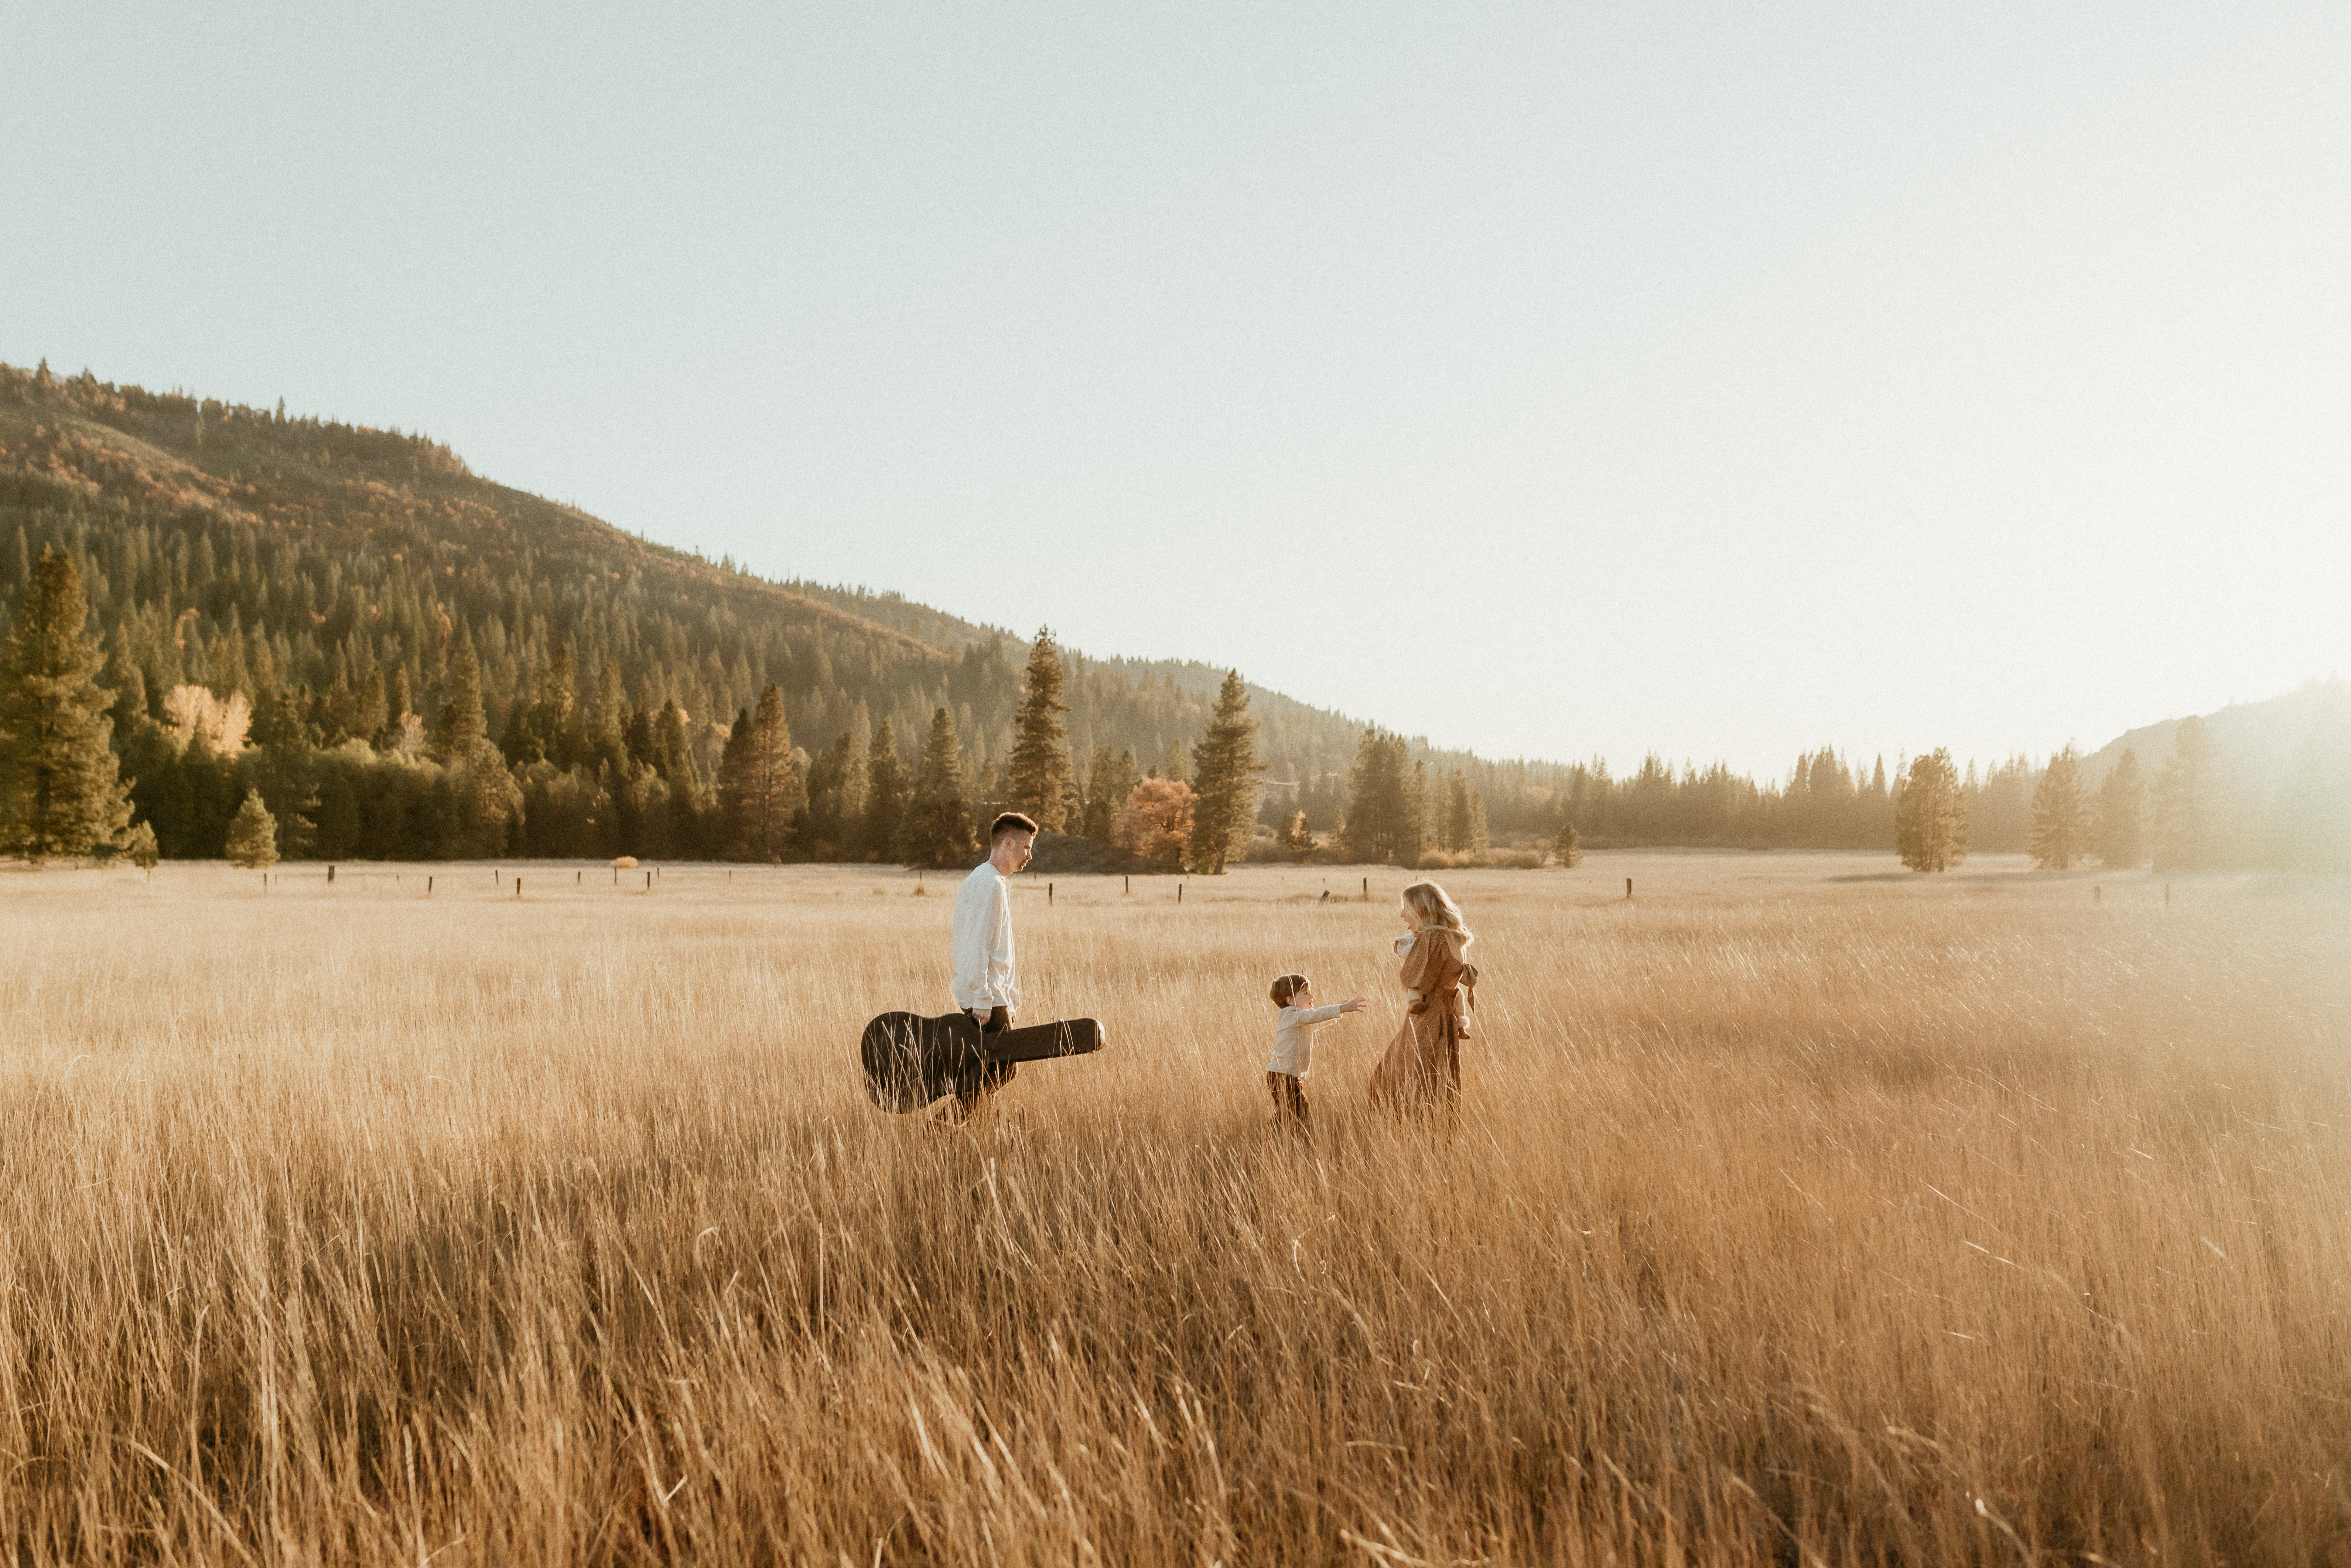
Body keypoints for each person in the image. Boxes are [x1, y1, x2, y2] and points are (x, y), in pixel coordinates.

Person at [944, 811, 1038, 1121]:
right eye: (1026, 847)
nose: (1030, 855)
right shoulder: (990, 885)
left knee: (994, 1069)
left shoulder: (982, 879)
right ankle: (945, 1126)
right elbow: (977, 945)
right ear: (1009, 843)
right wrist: (984, 999)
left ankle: (964, 1126)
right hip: (989, 998)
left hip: (991, 996)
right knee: (1003, 1068)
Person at [1367, 880, 1480, 1117]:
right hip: (1445, 1016)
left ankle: (1408, 1131)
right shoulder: (1454, 937)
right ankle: (1431, 1130)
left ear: (1421, 908)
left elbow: (1415, 977)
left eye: (1406, 907)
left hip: (1427, 1013)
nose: (1402, 914)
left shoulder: (1433, 938)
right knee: (1435, 1077)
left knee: (1395, 1079)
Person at [1264, 973, 1367, 1134]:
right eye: (1305, 993)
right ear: (1290, 1001)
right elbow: (1315, 1016)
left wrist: (1337, 1012)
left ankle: (1274, 1137)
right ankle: (1289, 1139)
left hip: (1284, 1075)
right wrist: (1342, 1009)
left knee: (1289, 1113)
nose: (1312, 996)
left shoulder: (1298, 1019)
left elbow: (1314, 1022)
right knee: (1299, 1113)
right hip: (1283, 1076)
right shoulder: (1291, 1016)